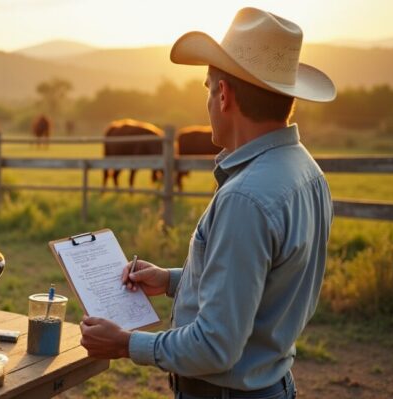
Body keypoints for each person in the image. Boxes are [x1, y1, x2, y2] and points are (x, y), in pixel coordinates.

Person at [79, 7, 336, 399]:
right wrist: (171, 280)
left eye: (206, 87)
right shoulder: (306, 172)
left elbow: (215, 347)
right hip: (272, 385)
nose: (207, 99)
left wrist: (124, 344)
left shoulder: (245, 198)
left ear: (223, 94)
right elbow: (261, 282)